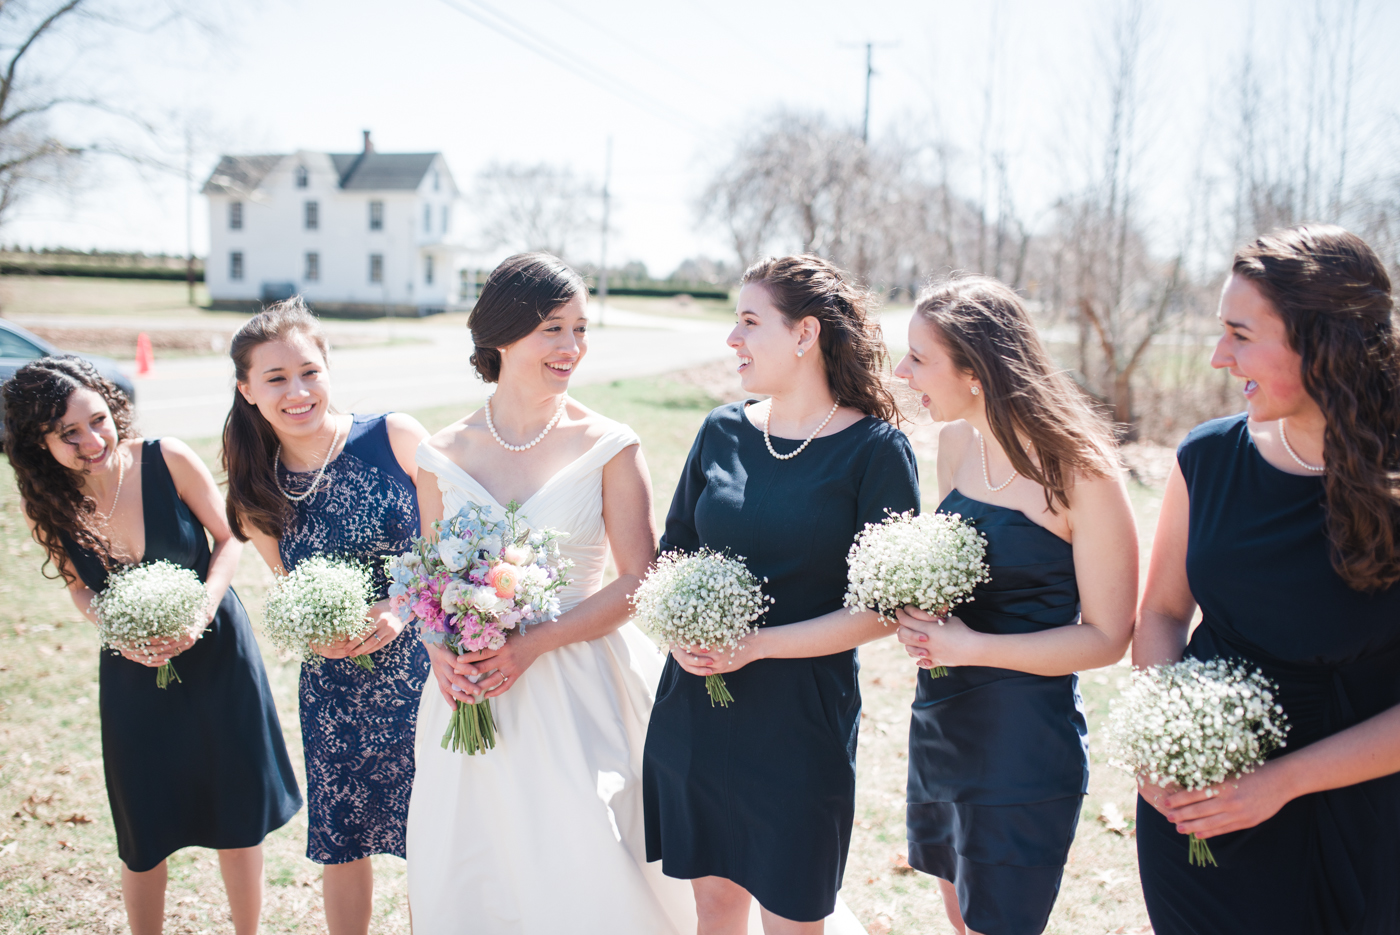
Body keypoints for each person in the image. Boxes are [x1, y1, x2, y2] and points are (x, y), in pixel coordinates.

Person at [405, 252, 696, 933]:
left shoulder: (609, 445)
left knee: (583, 857)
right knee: (472, 861)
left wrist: (533, 643)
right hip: (467, 693)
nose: (572, 348)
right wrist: (439, 652)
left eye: (581, 329)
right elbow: (429, 583)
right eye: (552, 329)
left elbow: (639, 579)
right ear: (501, 335)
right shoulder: (440, 453)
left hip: (577, 681)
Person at [1133, 225, 1400, 935]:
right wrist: (1160, 742)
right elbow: (1161, 611)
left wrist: (1279, 782)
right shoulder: (1207, 458)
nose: (1220, 356)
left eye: (1240, 334)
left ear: (1324, 342)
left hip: (1361, 821)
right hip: (1199, 821)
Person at [643, 254, 917, 934]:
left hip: (800, 724)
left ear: (804, 335)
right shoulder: (720, 431)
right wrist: (680, 625)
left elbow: (884, 610)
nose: (732, 339)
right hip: (697, 711)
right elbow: (672, 553)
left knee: (792, 915)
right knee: (714, 907)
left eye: (748, 321)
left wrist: (756, 646)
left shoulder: (877, 452)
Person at [3, 356, 301, 935]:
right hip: (131, 670)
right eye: (69, 434)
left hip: (219, 655)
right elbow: (80, 590)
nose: (93, 440)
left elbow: (229, 539)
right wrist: (117, 632)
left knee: (236, 812)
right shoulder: (45, 506)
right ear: (40, 444)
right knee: (144, 824)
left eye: (98, 420)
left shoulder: (168, 458)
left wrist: (201, 612)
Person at [890, 275, 1137, 935]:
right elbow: (960, 582)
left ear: (975, 371)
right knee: (958, 917)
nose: (900, 370)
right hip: (940, 723)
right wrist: (920, 618)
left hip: (1023, 743)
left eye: (918, 357)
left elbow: (1111, 635)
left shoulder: (1082, 472)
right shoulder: (954, 447)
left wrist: (972, 647)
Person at [220, 298, 429, 935]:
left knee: (435, 835)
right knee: (344, 843)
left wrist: (400, 608)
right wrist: (318, 634)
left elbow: (451, 545)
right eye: (276, 378)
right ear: (247, 389)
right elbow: (289, 588)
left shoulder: (394, 436)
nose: (297, 390)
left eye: (309, 371)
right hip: (336, 686)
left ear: (329, 370)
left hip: (428, 669)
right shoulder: (256, 488)